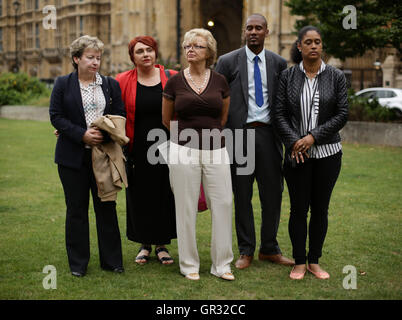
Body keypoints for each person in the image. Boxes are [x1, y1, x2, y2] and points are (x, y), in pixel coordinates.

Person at [215, 13, 294, 270]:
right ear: (244, 32)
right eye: (249, 28)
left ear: (266, 32)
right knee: (243, 195)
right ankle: (246, 250)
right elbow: (218, 100)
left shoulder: (279, 63)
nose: (253, 32)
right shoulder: (227, 62)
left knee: (273, 194)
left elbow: (285, 103)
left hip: (269, 137)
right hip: (240, 136)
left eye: (258, 28)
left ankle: (269, 248)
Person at [273, 26, 348, 280]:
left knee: (320, 209)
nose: (314, 46)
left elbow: (342, 114)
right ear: (299, 46)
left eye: (318, 42)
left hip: (328, 153)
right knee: (297, 209)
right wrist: (295, 142)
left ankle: (314, 260)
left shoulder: (336, 76)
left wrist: (313, 137)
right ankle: (299, 261)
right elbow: (279, 113)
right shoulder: (288, 76)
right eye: (308, 42)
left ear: (322, 46)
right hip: (297, 155)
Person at [49, 35, 125, 277]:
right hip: (72, 157)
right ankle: (78, 264)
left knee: (107, 208)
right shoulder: (62, 83)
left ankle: (112, 261)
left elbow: (119, 114)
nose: (95, 62)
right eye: (90, 57)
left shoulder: (110, 85)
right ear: (76, 58)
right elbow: (56, 116)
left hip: (104, 155)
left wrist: (105, 133)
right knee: (76, 210)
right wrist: (82, 135)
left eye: (98, 58)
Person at [162, 28, 234, 281]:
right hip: (183, 149)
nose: (190, 50)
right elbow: (166, 119)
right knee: (185, 207)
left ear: (209, 52)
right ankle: (189, 264)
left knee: (223, 203)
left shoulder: (220, 81)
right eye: (187, 46)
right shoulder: (174, 82)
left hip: (216, 148)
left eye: (197, 46)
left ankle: (222, 265)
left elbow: (222, 117)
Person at [115, 36, 177, 265]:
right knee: (139, 196)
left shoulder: (171, 78)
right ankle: (144, 244)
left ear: (155, 53)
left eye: (149, 50)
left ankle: (161, 245)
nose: (145, 54)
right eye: (139, 51)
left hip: (166, 146)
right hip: (136, 147)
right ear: (133, 57)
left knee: (164, 194)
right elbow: (109, 109)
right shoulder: (122, 80)